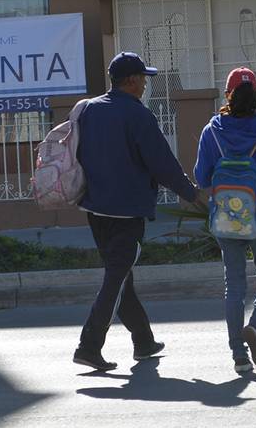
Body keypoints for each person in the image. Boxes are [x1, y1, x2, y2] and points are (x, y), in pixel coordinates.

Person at [72, 52, 206, 371]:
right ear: (131, 80)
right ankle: (89, 346)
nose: (146, 84)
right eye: (143, 78)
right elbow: (161, 164)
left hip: (95, 209)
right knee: (116, 278)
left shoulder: (89, 109)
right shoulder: (137, 115)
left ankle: (144, 341)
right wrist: (192, 195)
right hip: (126, 212)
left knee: (121, 276)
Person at [194, 67, 256, 373]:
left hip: (226, 220)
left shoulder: (212, 132)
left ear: (228, 95)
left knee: (234, 286)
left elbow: (200, 177)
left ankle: (238, 355)